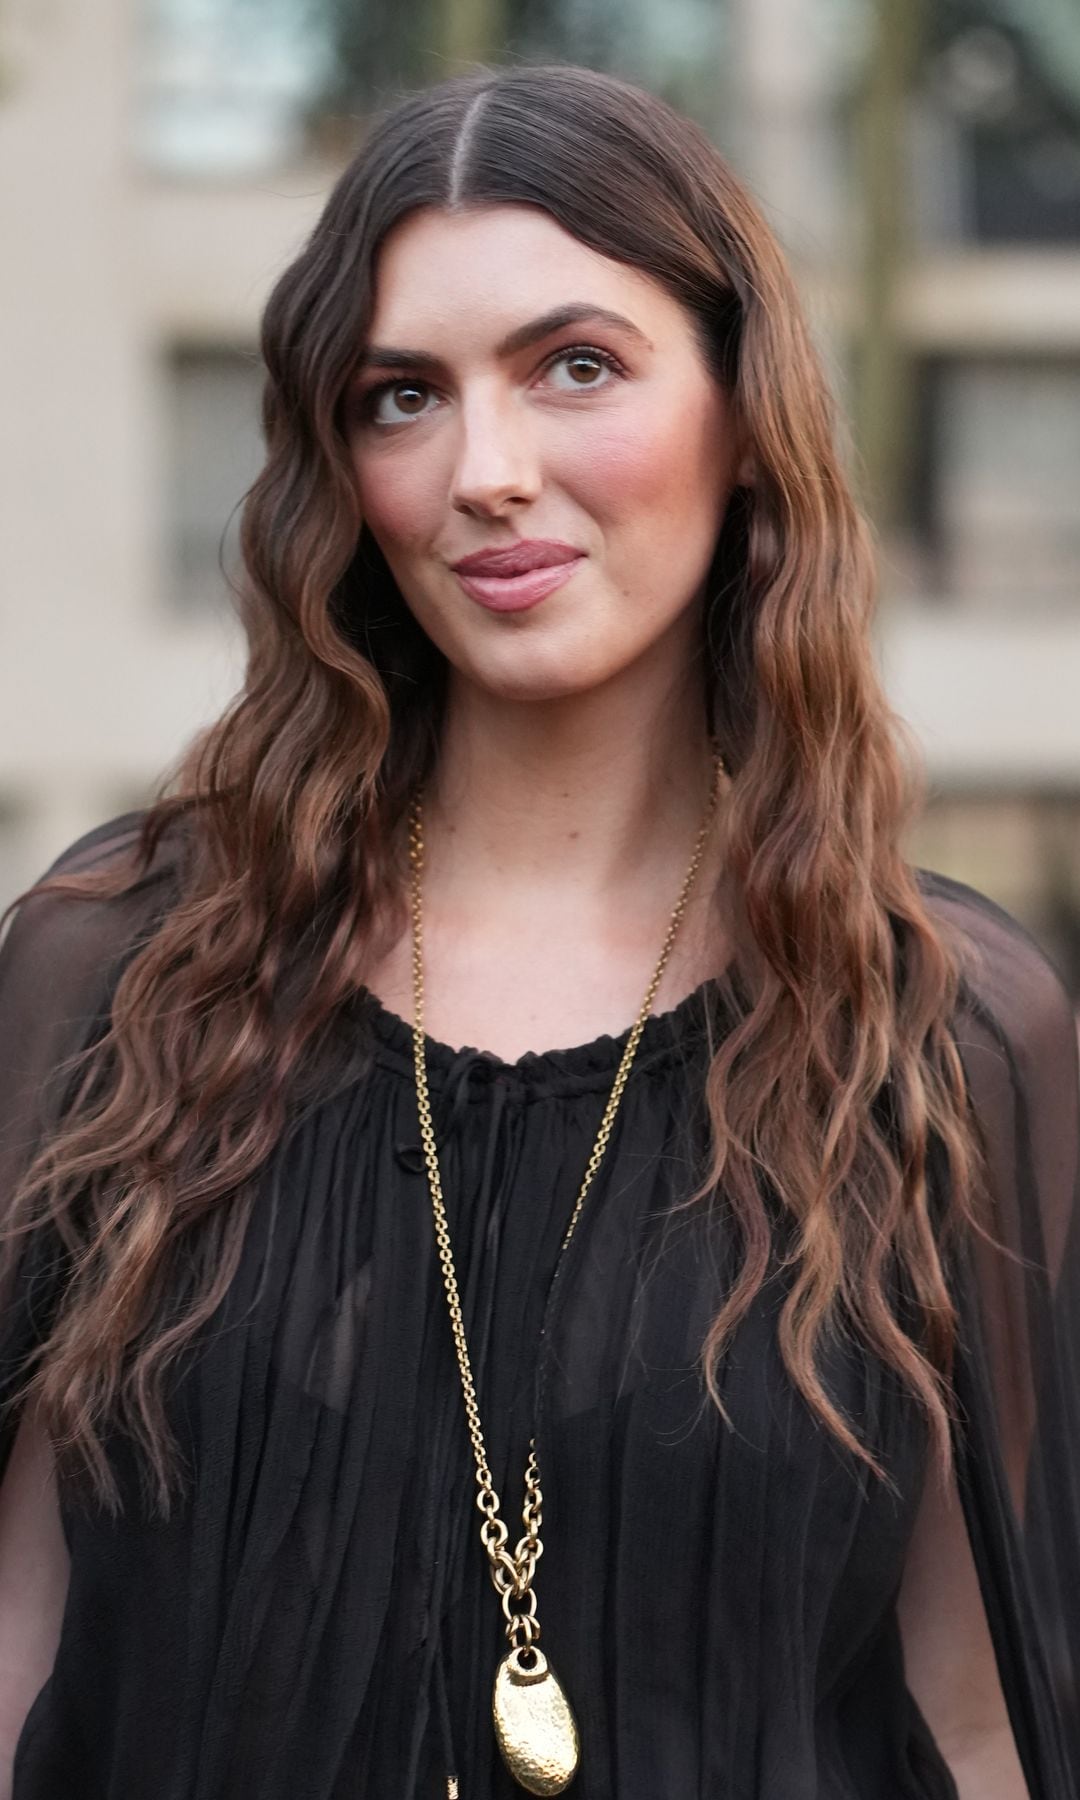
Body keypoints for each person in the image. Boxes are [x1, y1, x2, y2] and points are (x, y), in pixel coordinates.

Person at [0, 62, 1077, 1800]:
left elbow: (978, 1713)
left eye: (576, 366)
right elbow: (21, 1633)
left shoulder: (943, 1030)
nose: (485, 473)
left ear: (744, 412)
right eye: (402, 396)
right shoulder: (125, 970)